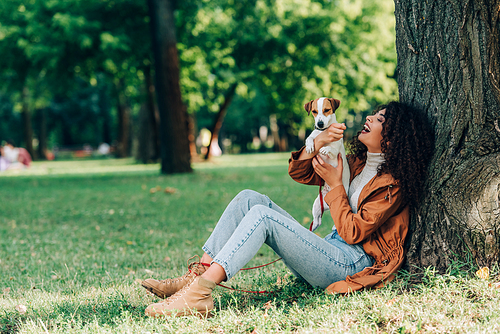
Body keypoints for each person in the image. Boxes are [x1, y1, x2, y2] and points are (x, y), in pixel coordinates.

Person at [141, 101, 434, 318]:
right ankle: (196, 277)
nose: (369, 117)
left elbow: (354, 233)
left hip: (352, 264)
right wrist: (314, 145)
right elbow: (300, 173)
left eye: (380, 118)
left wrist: (334, 186)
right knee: (249, 199)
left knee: (263, 217)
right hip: (329, 250)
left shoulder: (392, 184)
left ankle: (201, 293)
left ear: (394, 136)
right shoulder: (356, 163)